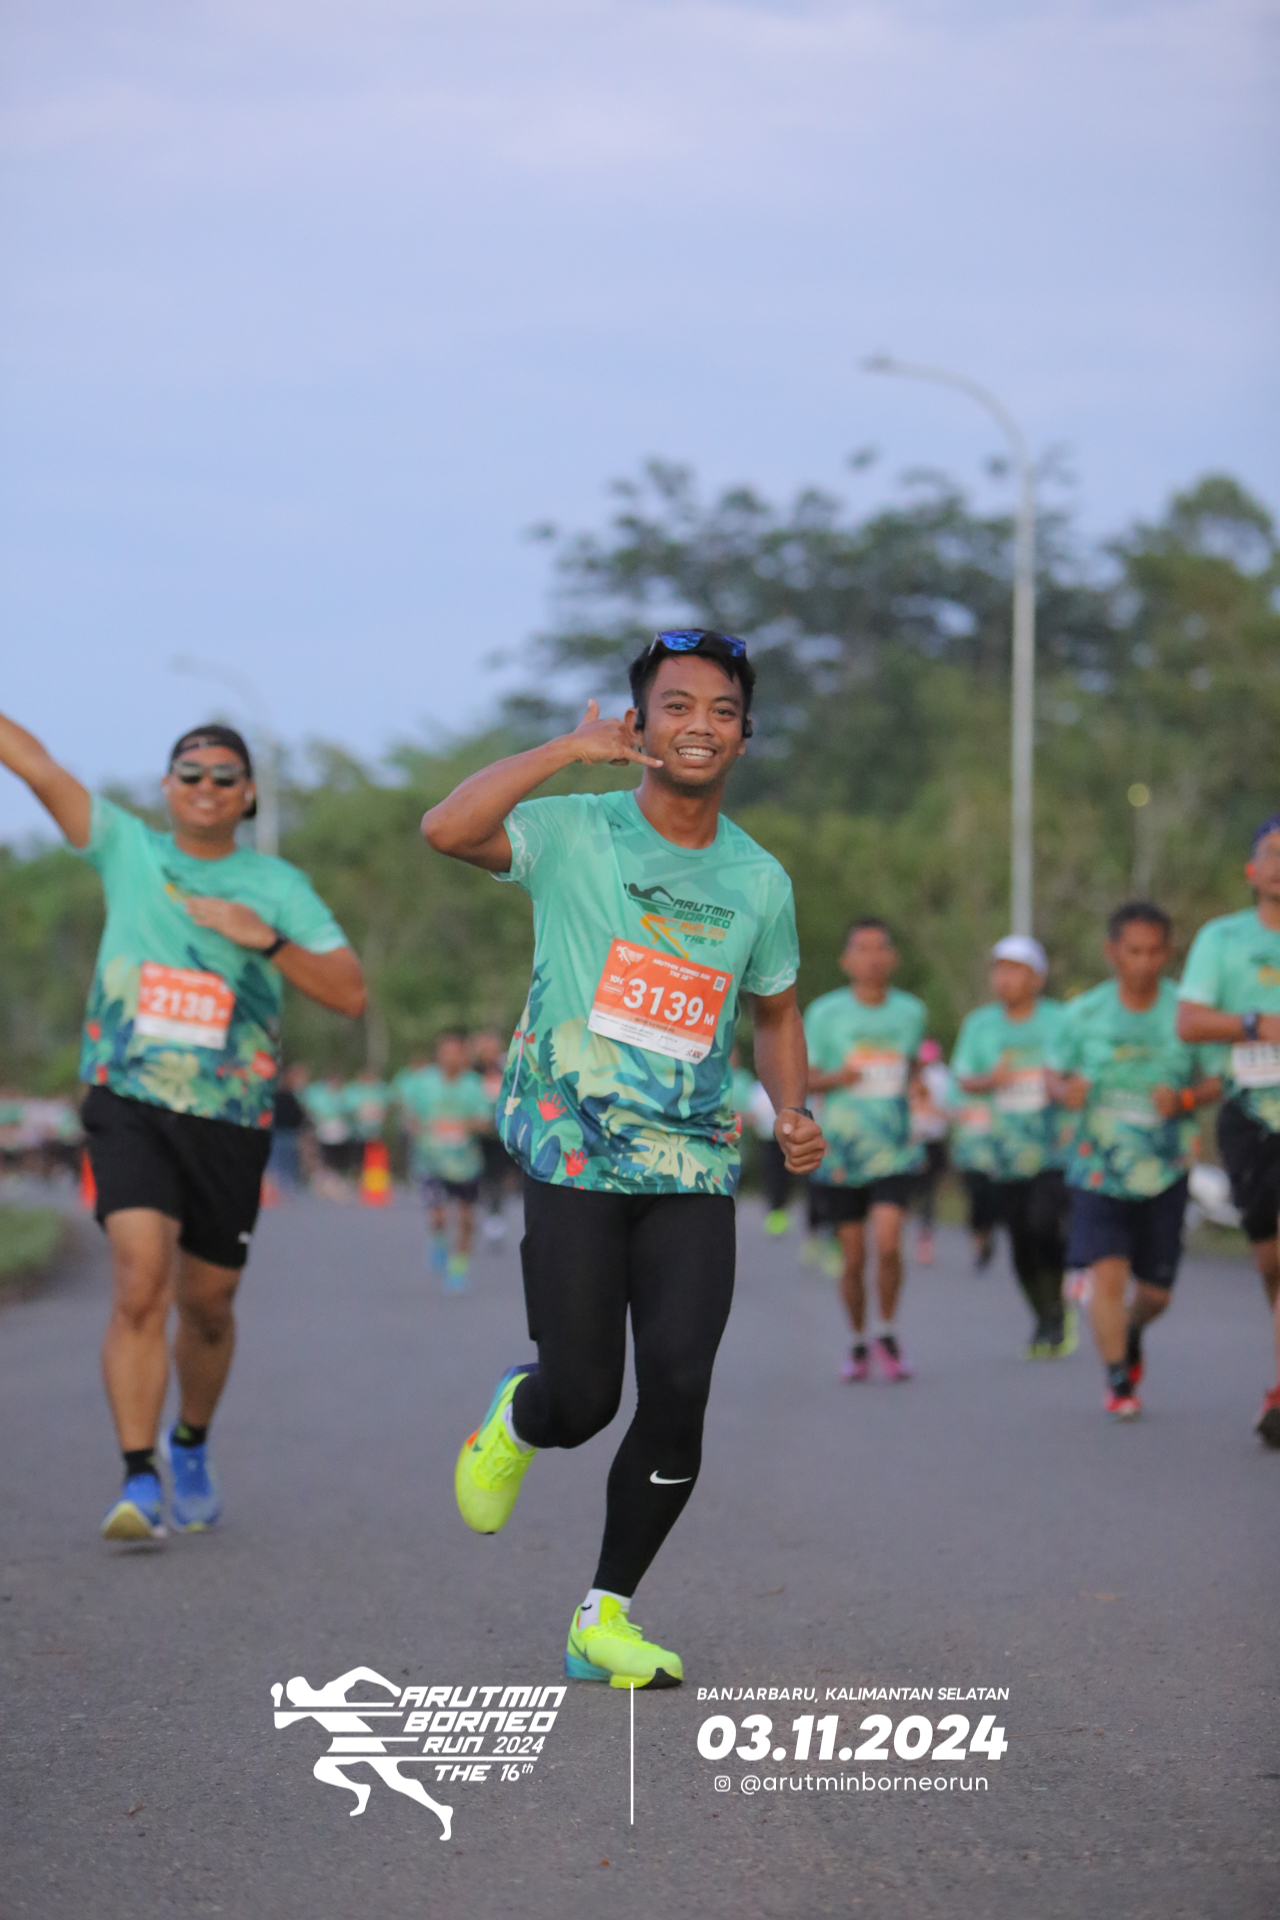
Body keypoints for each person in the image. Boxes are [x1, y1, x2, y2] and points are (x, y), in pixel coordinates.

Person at [423, 628, 824, 1690]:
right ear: (639, 723)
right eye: (677, 706)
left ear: (744, 737)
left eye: (723, 711)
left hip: (693, 1166)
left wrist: (792, 1106)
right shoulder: (574, 830)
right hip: (574, 1155)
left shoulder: (758, 879)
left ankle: (604, 1614)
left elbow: (776, 1011)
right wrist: (566, 751)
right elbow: (446, 828)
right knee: (584, 1400)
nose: (700, 726)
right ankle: (519, 1417)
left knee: (680, 1388)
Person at [0, 712, 365, 1539]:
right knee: (139, 1282)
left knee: (208, 1305)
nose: (206, 787)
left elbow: (349, 993)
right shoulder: (126, 847)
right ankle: (139, 1477)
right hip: (129, 1099)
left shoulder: (278, 886)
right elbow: (37, 765)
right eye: (190, 774)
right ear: (167, 788)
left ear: (248, 795)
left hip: (230, 1116)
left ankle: (190, 1442)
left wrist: (264, 940)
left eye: (224, 777)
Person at [1047, 903, 1217, 1420]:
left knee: (1157, 1294)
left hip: (1165, 1169)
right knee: (1108, 1274)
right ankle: (1118, 1377)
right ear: (1112, 952)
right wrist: (1065, 1091)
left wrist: (1185, 1100)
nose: (1144, 962)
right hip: (1097, 1169)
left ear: (1169, 953)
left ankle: (1133, 1329)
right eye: (1133, 951)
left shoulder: (1186, 1013)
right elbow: (1051, 1074)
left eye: (1154, 952)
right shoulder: (1084, 1013)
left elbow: (1219, 1078)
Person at [1176, 814, 1280, 1447]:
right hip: (1248, 1113)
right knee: (1270, 1256)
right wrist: (1254, 1024)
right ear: (1251, 869)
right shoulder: (1221, 938)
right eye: (1272, 852)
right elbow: (1188, 1023)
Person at [804, 918, 925, 1383]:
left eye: (881, 948)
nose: (872, 958)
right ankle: (857, 1339)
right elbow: (804, 1076)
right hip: (842, 1152)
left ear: (893, 958)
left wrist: (916, 1085)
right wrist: (840, 1078)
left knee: (889, 1244)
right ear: (846, 960)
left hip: (894, 1149)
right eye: (862, 949)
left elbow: (911, 1067)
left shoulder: (911, 1012)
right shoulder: (825, 1014)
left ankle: (886, 1331)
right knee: (853, 1258)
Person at [950, 936, 1073, 1356]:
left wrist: (1061, 1086)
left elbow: (1082, 1069)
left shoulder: (1062, 1021)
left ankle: (1056, 1311)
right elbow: (964, 1078)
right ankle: (1043, 1316)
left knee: (1044, 1225)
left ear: (1037, 978)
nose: (1003, 978)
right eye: (998, 969)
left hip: (1054, 1149)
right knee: (1020, 1240)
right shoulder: (980, 1025)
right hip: (1002, 1153)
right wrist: (993, 1081)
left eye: (1014, 969)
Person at [395, 1032, 492, 1289]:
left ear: (463, 1055)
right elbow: (409, 1113)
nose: (449, 1057)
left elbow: (485, 1121)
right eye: (444, 1051)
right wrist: (417, 1126)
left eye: (454, 1052)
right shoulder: (423, 1082)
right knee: (437, 1217)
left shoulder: (474, 1085)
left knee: (466, 1219)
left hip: (466, 1164)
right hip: (431, 1161)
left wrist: (462, 1127)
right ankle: (438, 1239)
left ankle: (458, 1269)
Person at [908, 1039, 952, 1267]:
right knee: (927, 1192)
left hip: (920, 1141)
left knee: (920, 1191)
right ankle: (924, 1238)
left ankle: (920, 1237)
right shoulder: (945, 1075)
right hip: (931, 1141)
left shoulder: (920, 1076)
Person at [472, 1028, 515, 1247]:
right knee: (478, 1175)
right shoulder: (472, 1072)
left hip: (499, 1133)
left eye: (493, 1046)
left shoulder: (507, 1068)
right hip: (475, 1134)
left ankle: (495, 1215)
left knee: (496, 1174)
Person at [268, 1062, 310, 1194]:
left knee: (282, 1162)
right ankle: (281, 1188)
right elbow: (298, 1115)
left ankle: (281, 1188)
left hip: (286, 1132)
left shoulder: (284, 1095)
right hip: (282, 1132)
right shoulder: (286, 1096)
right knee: (282, 1162)